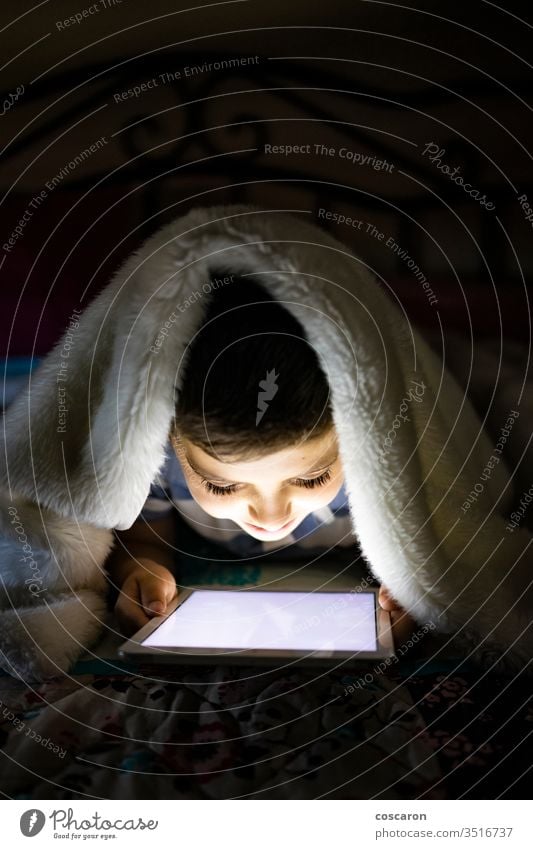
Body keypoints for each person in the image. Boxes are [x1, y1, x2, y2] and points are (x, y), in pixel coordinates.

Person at [106, 273, 415, 644]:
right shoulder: (154, 462)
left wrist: (408, 583)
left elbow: (428, 544)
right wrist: (143, 572)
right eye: (222, 486)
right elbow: (145, 545)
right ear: (174, 441)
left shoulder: (383, 465)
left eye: (310, 479)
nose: (271, 516)